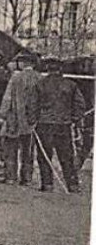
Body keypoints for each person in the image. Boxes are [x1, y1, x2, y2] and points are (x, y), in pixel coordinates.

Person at [34, 58, 83, 193]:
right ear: (60, 70)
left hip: (44, 124)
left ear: (48, 69)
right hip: (63, 125)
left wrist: (33, 120)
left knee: (44, 156)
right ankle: (72, 185)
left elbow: (33, 105)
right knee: (66, 156)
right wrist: (74, 119)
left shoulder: (40, 84)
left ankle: (47, 184)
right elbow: (80, 105)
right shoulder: (71, 85)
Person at [0, 52, 41, 186]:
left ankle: (10, 176)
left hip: (14, 118)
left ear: (24, 63)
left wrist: (2, 114)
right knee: (28, 150)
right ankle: (26, 178)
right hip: (31, 120)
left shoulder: (16, 78)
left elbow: (8, 97)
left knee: (11, 148)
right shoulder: (39, 78)